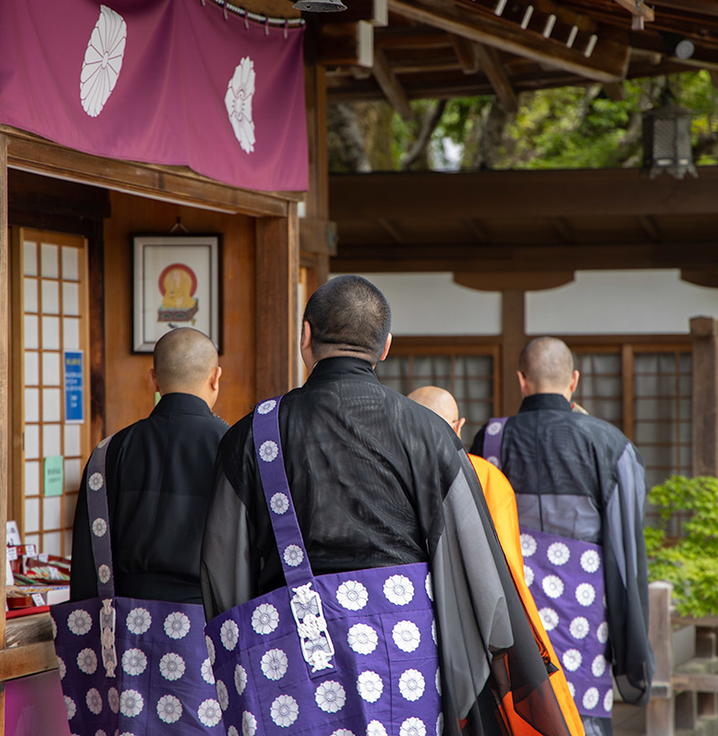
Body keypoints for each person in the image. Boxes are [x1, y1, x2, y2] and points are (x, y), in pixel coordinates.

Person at [201, 276, 572, 736]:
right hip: (410, 656)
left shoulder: (252, 435)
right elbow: (477, 567)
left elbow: (222, 573)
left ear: (305, 337)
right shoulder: (430, 433)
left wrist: (245, 657)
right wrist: (480, 659)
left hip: (289, 655)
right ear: (385, 347)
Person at [471, 337, 654, 736]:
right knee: (580, 721)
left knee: (518, 716)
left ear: (522, 380)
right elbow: (626, 551)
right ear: (574, 380)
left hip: (516, 622)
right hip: (584, 619)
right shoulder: (608, 443)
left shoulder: (491, 439)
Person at [407, 386, 584, 736]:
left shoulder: (390, 472)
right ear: (457, 427)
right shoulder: (484, 475)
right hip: (472, 623)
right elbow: (508, 572)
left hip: (407, 623)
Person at [69, 326, 226, 603]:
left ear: (154, 380)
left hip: (124, 622)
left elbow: (88, 551)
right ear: (215, 378)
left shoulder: (109, 451)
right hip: (208, 621)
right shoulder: (234, 447)